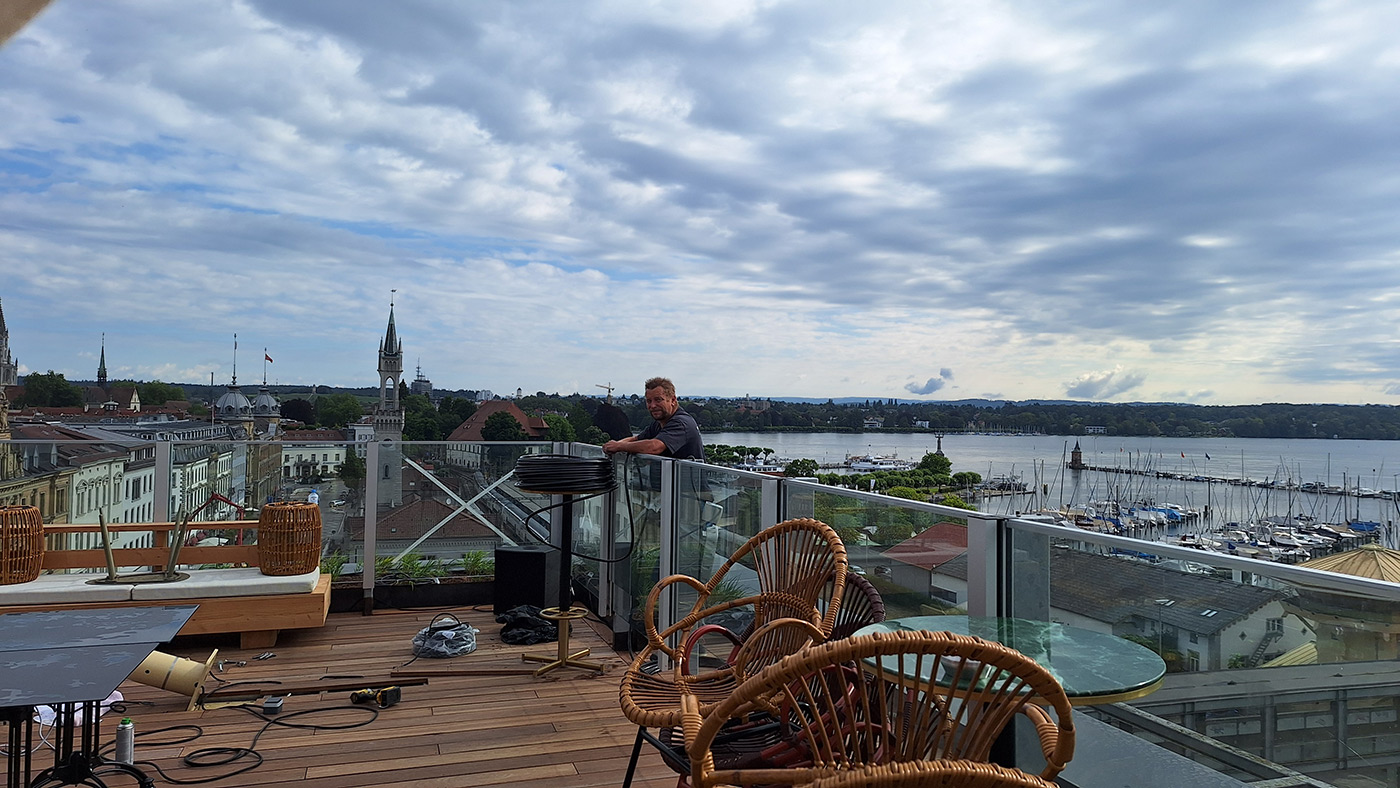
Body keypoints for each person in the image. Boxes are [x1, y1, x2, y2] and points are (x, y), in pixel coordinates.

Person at [603, 377, 704, 460]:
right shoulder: (660, 423)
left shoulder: (681, 423)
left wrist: (619, 446)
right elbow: (635, 439)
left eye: (658, 400)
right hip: (668, 483)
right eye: (649, 401)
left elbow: (654, 447)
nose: (652, 405)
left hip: (685, 484)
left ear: (673, 400)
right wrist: (613, 445)